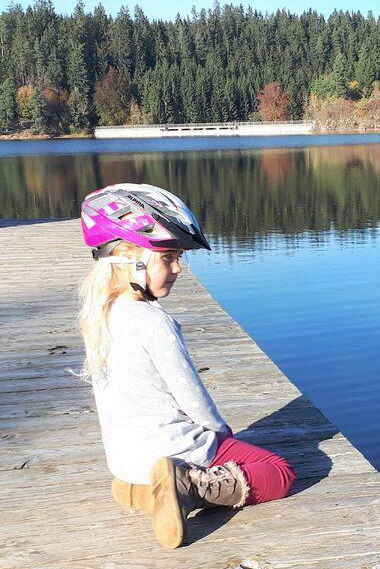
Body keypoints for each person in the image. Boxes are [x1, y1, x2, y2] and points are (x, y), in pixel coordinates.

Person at [77, 183, 295, 549]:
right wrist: (221, 432)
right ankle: (188, 488)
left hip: (124, 459)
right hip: (172, 450)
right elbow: (190, 396)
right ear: (129, 257)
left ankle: (144, 492)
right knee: (278, 472)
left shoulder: (99, 315)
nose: (178, 268)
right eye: (168, 257)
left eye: (178, 258)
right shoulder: (153, 321)